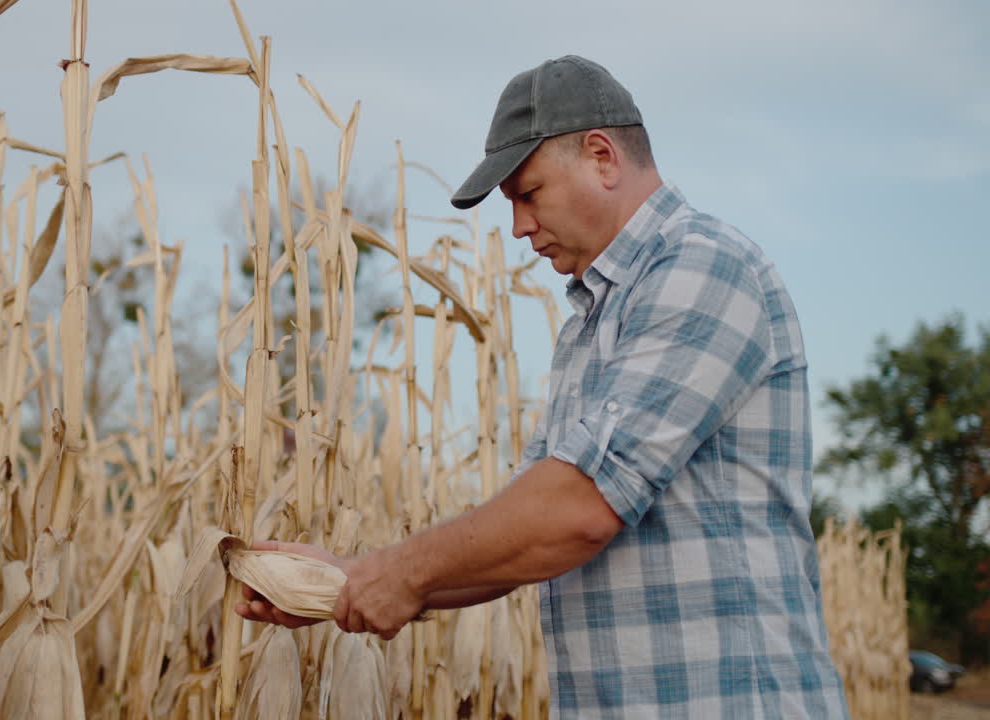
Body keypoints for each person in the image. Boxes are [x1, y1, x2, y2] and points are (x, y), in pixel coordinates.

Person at [236, 55, 849, 718]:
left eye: (529, 194)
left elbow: (579, 509)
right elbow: (525, 542)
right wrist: (343, 582)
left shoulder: (703, 266)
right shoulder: (591, 321)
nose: (519, 227)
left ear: (601, 157)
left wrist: (399, 573)